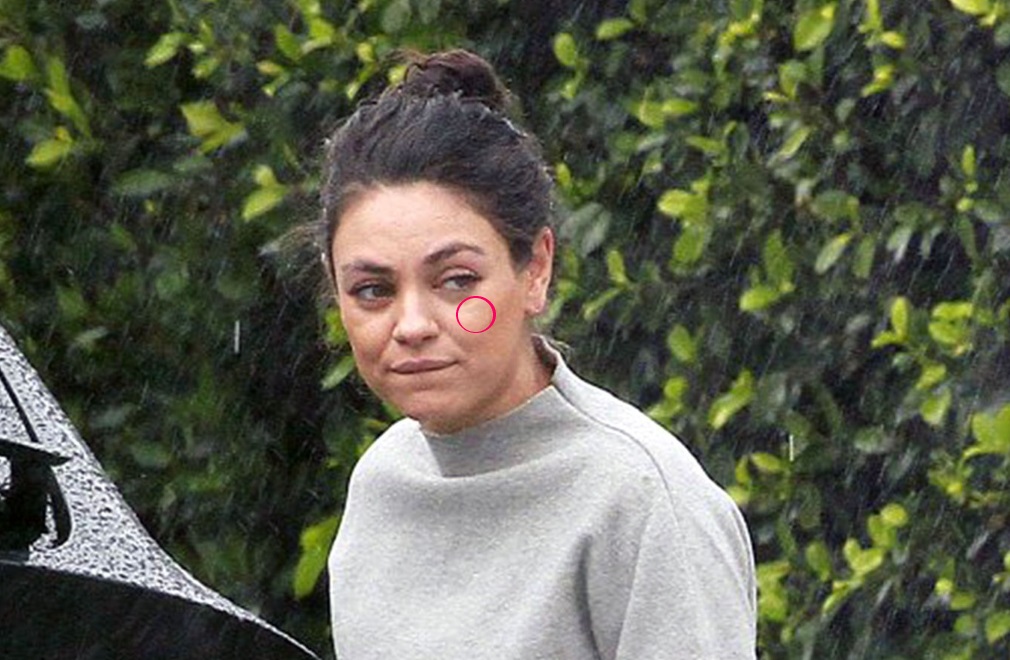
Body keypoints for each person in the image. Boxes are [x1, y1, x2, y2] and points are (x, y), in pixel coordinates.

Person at [318, 49, 757, 659]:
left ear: (536, 269)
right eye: (373, 290)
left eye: (457, 281)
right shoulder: (382, 484)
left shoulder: (641, 500)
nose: (412, 325)